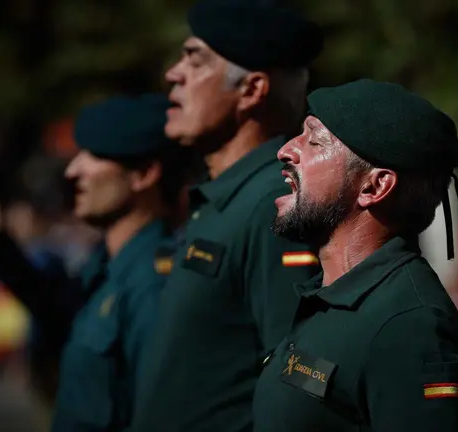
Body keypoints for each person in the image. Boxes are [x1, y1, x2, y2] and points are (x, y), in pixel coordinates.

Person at [131, 1, 324, 431]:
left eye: (195, 59)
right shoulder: (228, 197)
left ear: (251, 90)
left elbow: (303, 377)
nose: (173, 74)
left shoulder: (273, 203)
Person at [253, 79, 458, 431]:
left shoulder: (410, 327)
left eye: (314, 140)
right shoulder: (333, 296)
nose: (286, 150)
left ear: (374, 186)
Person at [0, 94, 188, 431]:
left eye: (95, 156)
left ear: (144, 174)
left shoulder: (154, 285)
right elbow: (63, 313)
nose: (73, 170)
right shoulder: (108, 265)